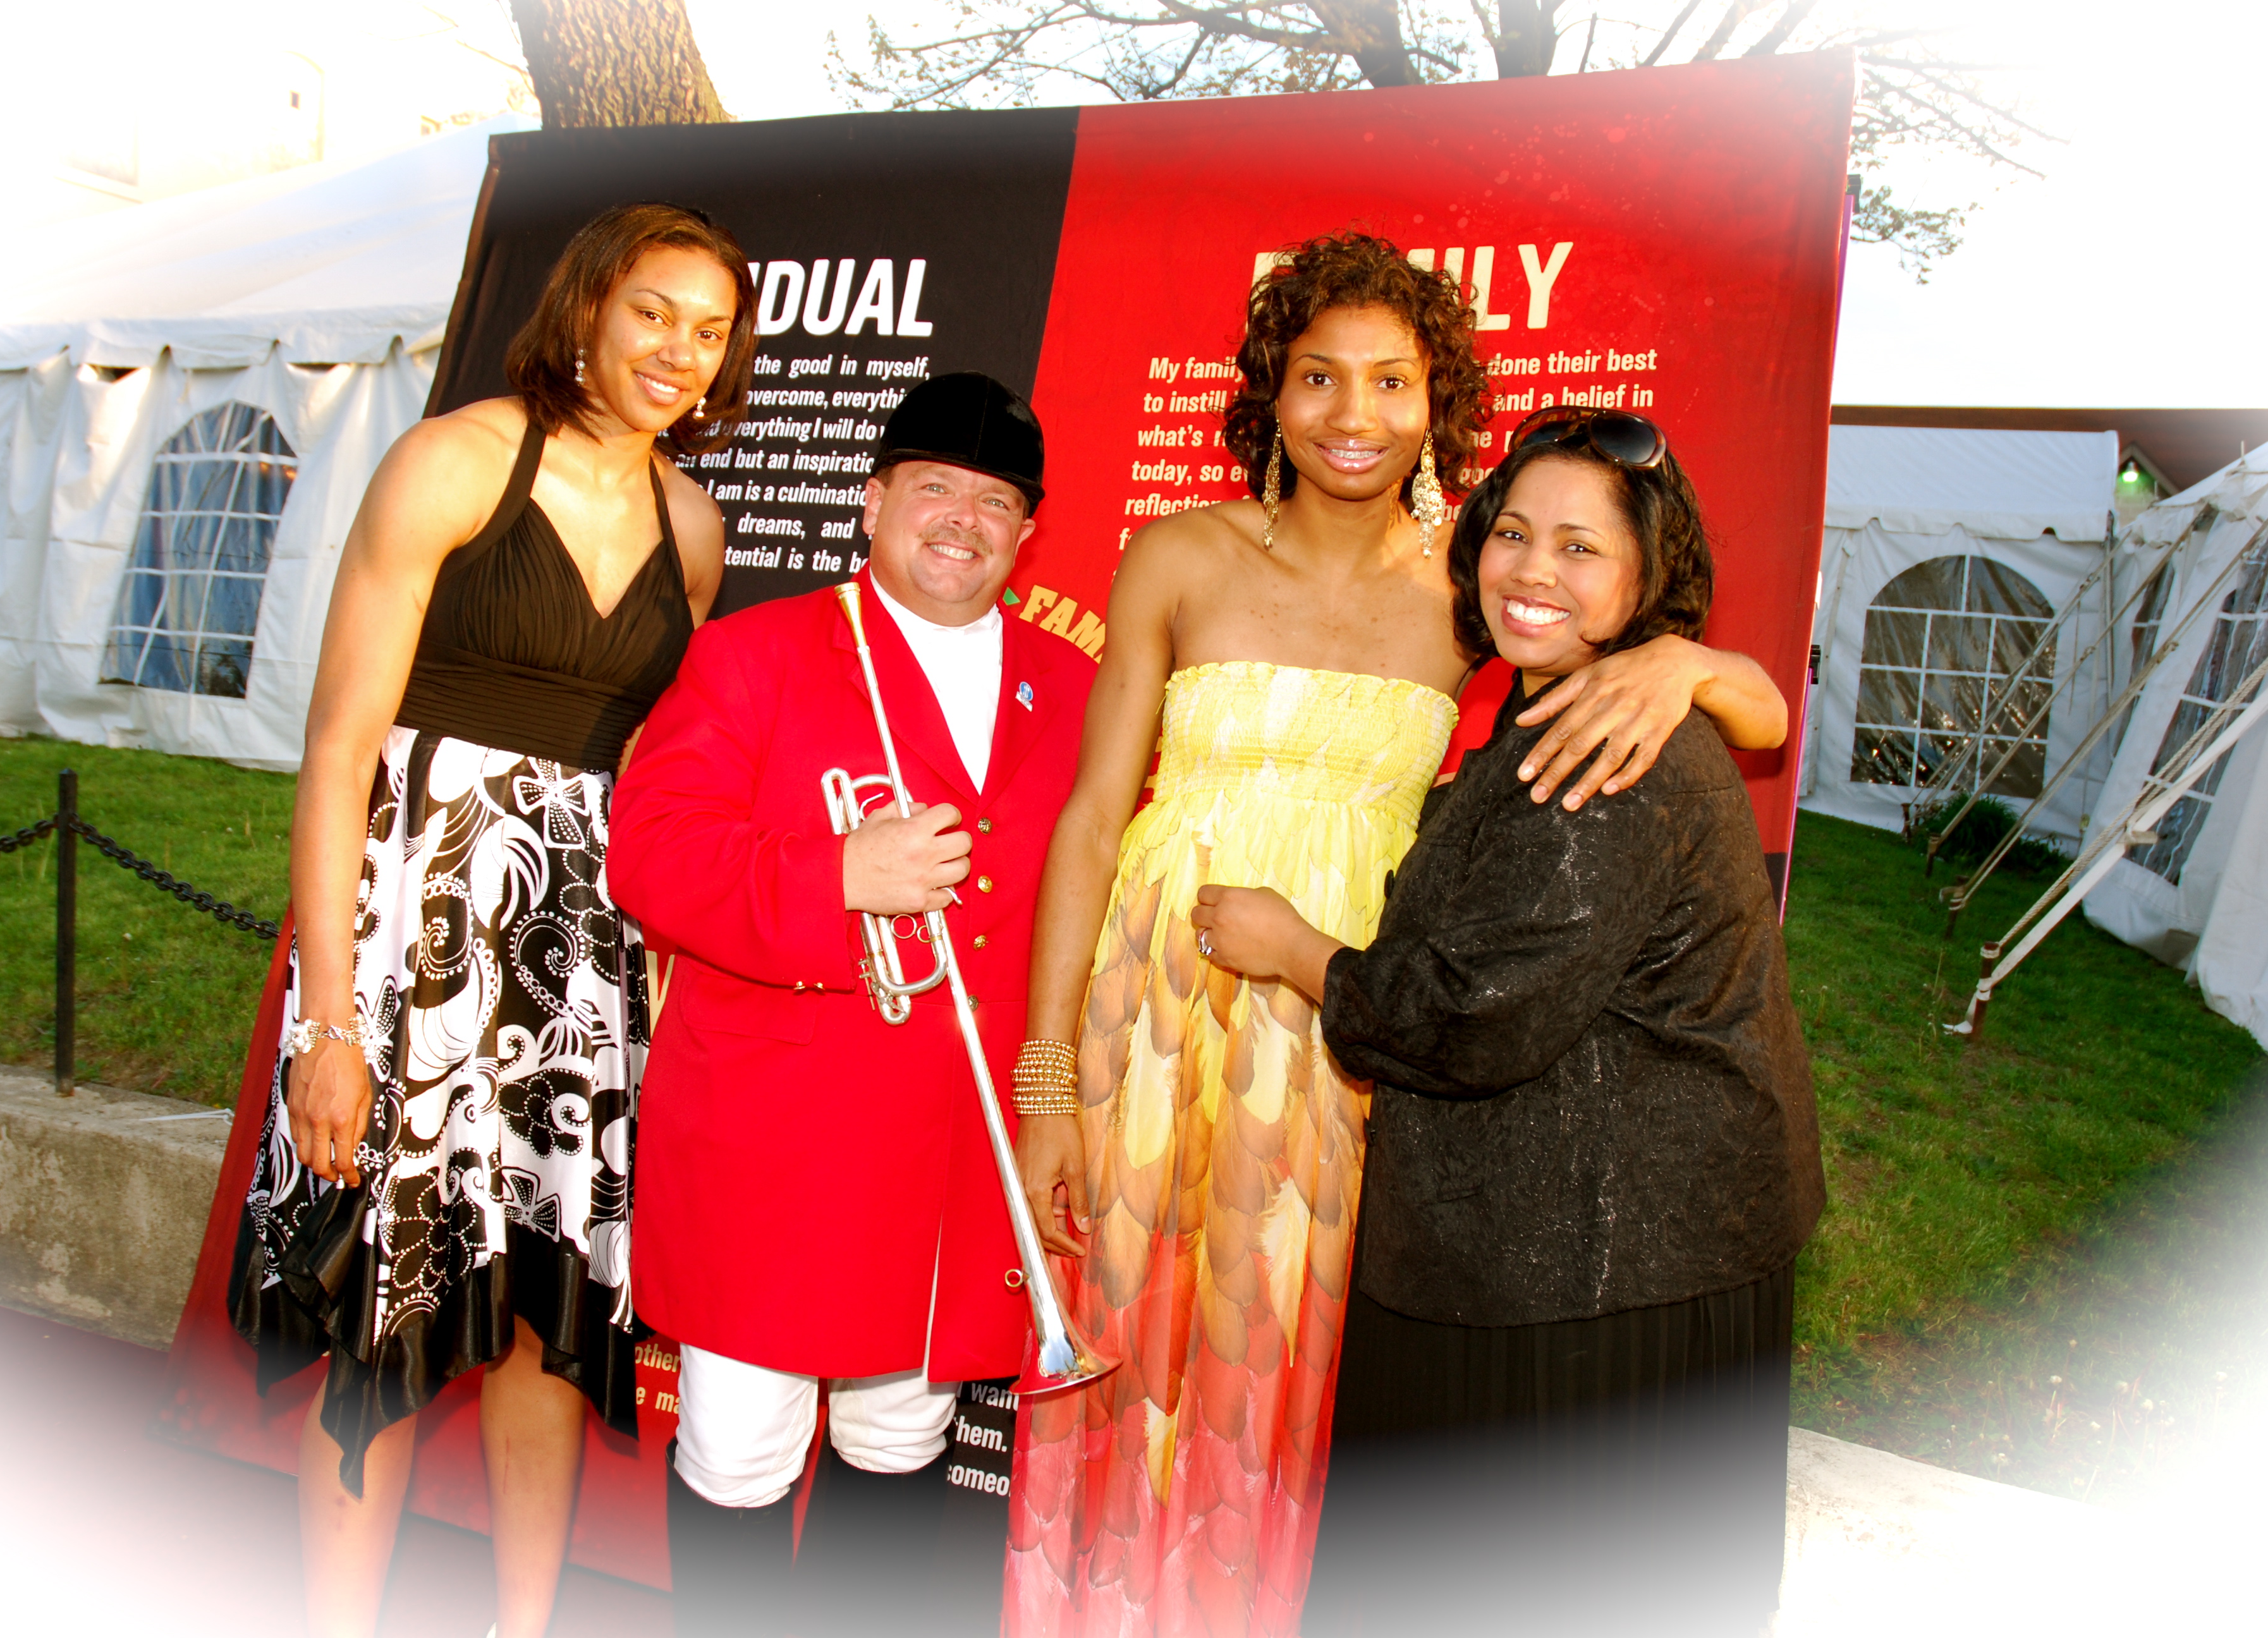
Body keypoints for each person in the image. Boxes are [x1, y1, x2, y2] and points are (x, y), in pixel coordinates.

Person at [1003, 234, 1791, 1638]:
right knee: (1119, 1341)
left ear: (1438, 407)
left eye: (1389, 381)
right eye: (1318, 377)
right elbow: (1087, 821)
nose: (1351, 414)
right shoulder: (1177, 555)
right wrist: (1048, 1077)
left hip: (1357, 1028)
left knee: (1285, 1355)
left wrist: (1691, 660)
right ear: (1270, 391)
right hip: (1154, 1007)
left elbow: (1758, 713)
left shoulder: (1475, 586)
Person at [1190, 408, 1826, 1637]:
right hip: (1607, 1251)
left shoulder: (1603, 753)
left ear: (1648, 576)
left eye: (1581, 548)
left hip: (1585, 1288)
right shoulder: (1561, 706)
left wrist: (1292, 948)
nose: (1534, 569)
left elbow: (1470, 1021)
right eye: (1515, 534)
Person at [229, 203, 749, 1638]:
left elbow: (652, 784)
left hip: (581, 960)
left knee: (548, 1311)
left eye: (710, 332)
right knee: (382, 1300)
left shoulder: (693, 530)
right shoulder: (452, 461)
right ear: (586, 308)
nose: (679, 351)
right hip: (414, 933)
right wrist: (328, 1024)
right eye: (654, 313)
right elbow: (339, 753)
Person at [606, 372, 1095, 1637]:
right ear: (872, 502)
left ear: (1027, 529)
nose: (963, 520)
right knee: (742, 1445)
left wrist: (1055, 1100)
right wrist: (836, 875)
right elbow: (649, 855)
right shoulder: (754, 652)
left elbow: (1086, 910)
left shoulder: (1071, 686)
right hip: (780, 1131)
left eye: (996, 501)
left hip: (951, 1149)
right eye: (934, 488)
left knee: (899, 1438)